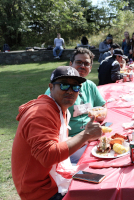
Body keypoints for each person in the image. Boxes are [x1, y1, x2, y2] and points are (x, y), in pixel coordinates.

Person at [12, 66, 103, 200]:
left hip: (51, 177)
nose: (71, 91)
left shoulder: (58, 108)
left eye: (76, 87)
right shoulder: (41, 113)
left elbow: (57, 143)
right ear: (51, 87)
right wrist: (85, 135)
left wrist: (84, 137)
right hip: (41, 191)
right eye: (64, 85)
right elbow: (48, 156)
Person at [45, 48, 106, 164]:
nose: (82, 66)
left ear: (90, 67)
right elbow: (49, 152)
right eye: (79, 62)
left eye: (86, 63)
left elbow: (103, 106)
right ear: (70, 64)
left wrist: (99, 114)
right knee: (98, 161)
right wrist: (85, 136)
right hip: (70, 142)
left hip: (90, 136)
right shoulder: (54, 93)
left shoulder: (90, 86)